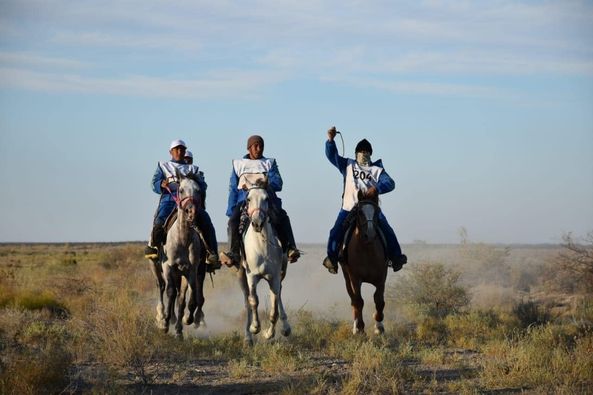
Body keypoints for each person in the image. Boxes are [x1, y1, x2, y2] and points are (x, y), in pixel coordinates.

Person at [322, 126, 407, 274]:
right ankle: (332, 259)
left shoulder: (377, 169)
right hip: (349, 208)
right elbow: (332, 156)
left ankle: (396, 257)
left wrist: (377, 188)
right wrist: (330, 140)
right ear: (356, 153)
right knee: (335, 231)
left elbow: (390, 183)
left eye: (366, 152)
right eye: (361, 151)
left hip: (370, 209)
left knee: (387, 229)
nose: (363, 154)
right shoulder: (347, 165)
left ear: (370, 154)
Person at [220, 135, 300, 267]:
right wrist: (231, 209)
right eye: (256, 146)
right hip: (244, 201)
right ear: (249, 148)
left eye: (261, 146)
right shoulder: (238, 164)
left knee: (282, 217)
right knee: (233, 221)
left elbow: (278, 183)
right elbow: (233, 188)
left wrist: (264, 184)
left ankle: (290, 248)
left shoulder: (269, 163)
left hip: (265, 200)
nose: (259, 149)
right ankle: (233, 252)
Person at [144, 139, 221, 270]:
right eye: (176, 149)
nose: (179, 151)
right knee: (160, 219)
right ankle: (154, 248)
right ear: (171, 152)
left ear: (185, 151)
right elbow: (154, 183)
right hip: (170, 199)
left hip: (190, 202)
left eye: (182, 149)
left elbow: (203, 186)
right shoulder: (163, 166)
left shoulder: (193, 169)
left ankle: (212, 254)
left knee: (206, 221)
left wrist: (197, 183)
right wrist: (161, 184)